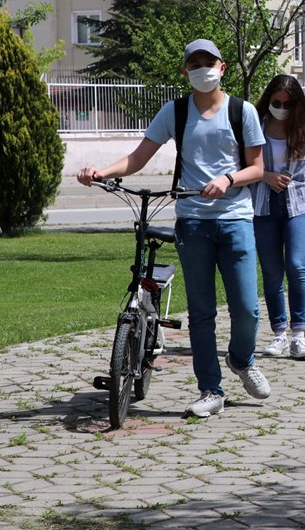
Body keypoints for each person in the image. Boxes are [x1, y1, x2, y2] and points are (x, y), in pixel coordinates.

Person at [77, 39, 270, 418]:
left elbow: (258, 168)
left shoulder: (241, 110)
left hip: (235, 219)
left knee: (246, 308)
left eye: (208, 62)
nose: (202, 69)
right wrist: (101, 171)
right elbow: (137, 157)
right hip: (193, 221)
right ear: (185, 71)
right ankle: (210, 389)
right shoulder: (176, 111)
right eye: (194, 64)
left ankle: (241, 359)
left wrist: (229, 179)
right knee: (201, 312)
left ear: (222, 67)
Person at [252, 75, 305, 361]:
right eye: (276, 103)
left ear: (296, 104)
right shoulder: (255, 125)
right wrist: (266, 176)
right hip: (262, 206)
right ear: (268, 100)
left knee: (297, 267)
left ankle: (299, 335)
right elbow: (243, 165)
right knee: (272, 273)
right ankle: (279, 334)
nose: (281, 108)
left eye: (287, 104)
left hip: (300, 205)